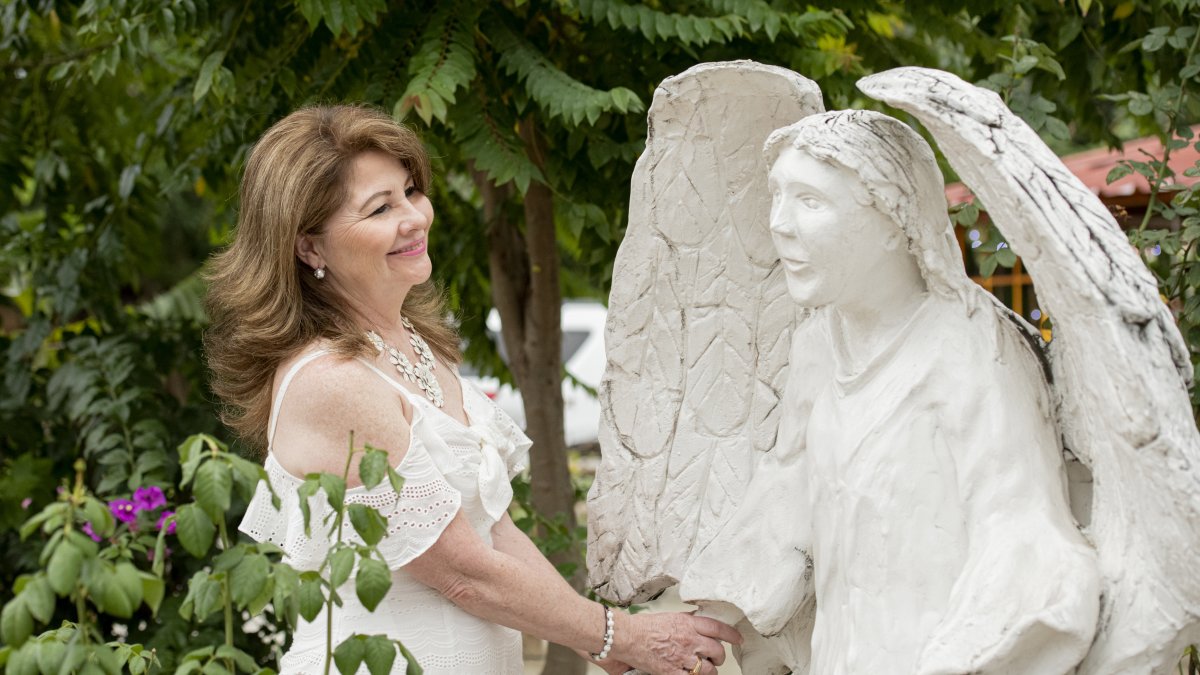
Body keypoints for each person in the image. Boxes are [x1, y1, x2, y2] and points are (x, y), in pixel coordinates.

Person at [205, 104, 741, 675]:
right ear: (309, 247)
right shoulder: (332, 380)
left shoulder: (420, 349)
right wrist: (623, 637)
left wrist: (597, 642)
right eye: (381, 207)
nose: (414, 217)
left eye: (411, 191)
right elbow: (462, 573)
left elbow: (494, 534)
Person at [680, 110, 1100, 674]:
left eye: (809, 201)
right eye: (777, 195)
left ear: (891, 220)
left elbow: (1021, 530)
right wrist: (710, 612)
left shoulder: (967, 345)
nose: (779, 223)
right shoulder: (816, 347)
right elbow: (787, 495)